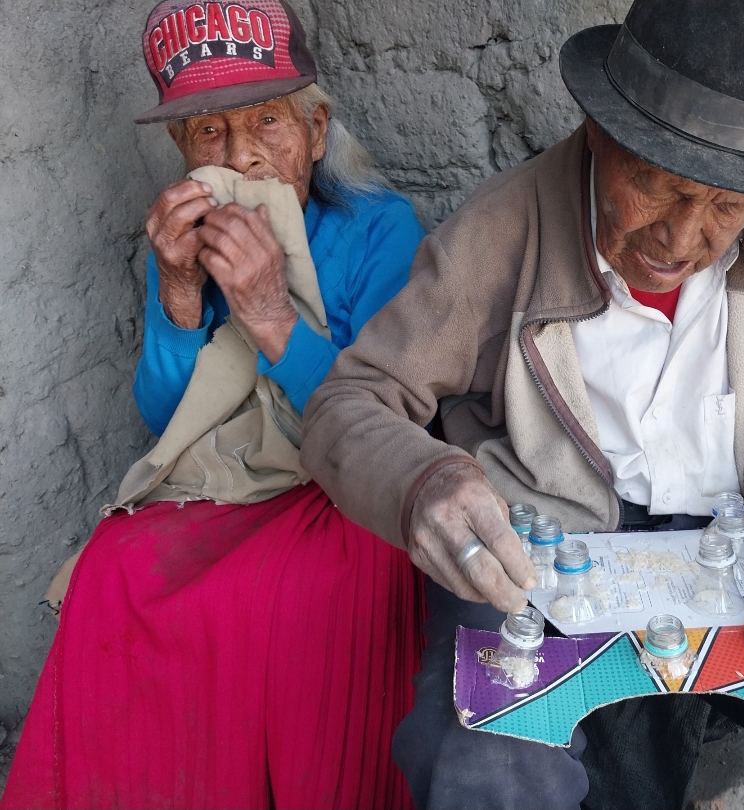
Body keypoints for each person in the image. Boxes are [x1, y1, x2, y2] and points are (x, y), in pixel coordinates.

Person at [300, 0, 744, 807]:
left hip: (729, 557)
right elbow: (350, 403)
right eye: (658, 188)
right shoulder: (500, 233)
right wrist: (428, 482)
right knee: (489, 755)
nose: (683, 239)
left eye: (726, 206)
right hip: (542, 560)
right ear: (601, 133)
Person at [1, 2, 426, 808]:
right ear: (181, 148)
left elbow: (383, 426)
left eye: (268, 120)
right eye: (208, 132)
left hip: (342, 488)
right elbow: (168, 421)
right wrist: (178, 290)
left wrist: (268, 313)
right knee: (113, 570)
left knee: (285, 597)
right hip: (224, 482)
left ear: (316, 131)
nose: (240, 157)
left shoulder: (382, 230)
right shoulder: (186, 234)